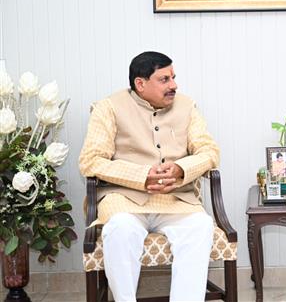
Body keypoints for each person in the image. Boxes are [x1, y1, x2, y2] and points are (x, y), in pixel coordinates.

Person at [79, 51, 220, 302]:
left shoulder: (187, 107)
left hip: (176, 201)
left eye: (173, 78)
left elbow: (209, 151)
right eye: (164, 79)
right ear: (140, 84)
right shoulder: (108, 108)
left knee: (200, 226)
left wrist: (181, 169)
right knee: (120, 230)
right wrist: (141, 176)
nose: (174, 85)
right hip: (124, 201)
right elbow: (91, 160)